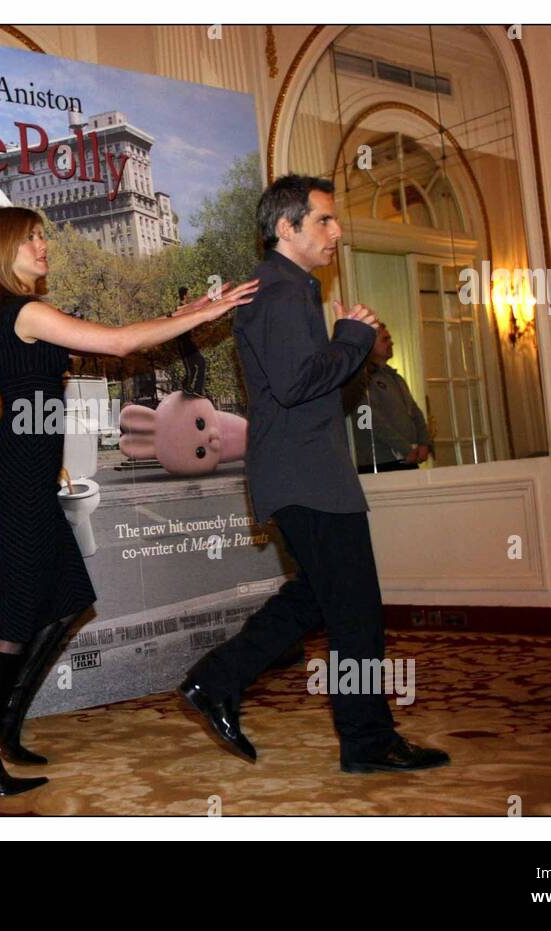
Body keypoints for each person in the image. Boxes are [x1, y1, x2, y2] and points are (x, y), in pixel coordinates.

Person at [0, 206, 259, 797]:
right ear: (2, 252)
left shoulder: (9, 312)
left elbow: (100, 348)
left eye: (43, 235)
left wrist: (184, 315)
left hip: (29, 474)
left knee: (70, 599)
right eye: (31, 239)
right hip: (19, 479)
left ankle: (4, 730)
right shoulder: (27, 312)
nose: (43, 246)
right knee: (18, 620)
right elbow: (119, 344)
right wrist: (214, 310)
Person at [180, 174, 450, 774]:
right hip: (306, 477)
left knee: (317, 600)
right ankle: (366, 741)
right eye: (323, 220)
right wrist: (352, 337)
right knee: (356, 613)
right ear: (287, 227)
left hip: (310, 473)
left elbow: (305, 383)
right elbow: (297, 384)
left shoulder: (289, 289)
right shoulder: (279, 293)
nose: (336, 231)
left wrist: (347, 344)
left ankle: (217, 678)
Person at [341, 324, 433, 473]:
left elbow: (415, 413)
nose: (391, 343)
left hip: (407, 459)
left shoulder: (395, 378)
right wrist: (405, 449)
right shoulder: (359, 380)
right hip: (381, 463)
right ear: (369, 344)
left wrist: (424, 443)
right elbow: (370, 420)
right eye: (385, 339)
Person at [174, 286, 207, 396]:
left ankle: (193, 389)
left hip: (188, 342)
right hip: (184, 343)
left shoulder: (186, 308)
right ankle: (190, 388)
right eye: (188, 294)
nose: (190, 296)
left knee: (197, 366)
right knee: (194, 367)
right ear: (184, 295)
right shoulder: (180, 307)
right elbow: (180, 310)